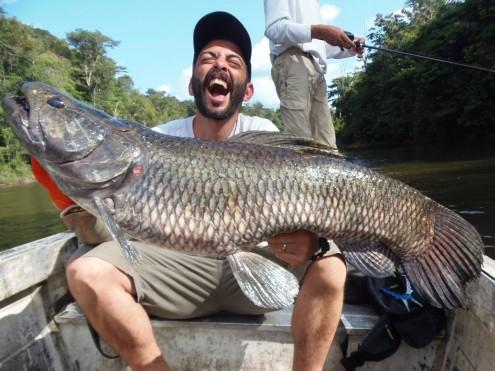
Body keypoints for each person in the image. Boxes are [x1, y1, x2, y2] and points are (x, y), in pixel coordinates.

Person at [35, 12, 347, 371]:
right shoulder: (156, 139)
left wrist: (308, 241)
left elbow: (308, 212)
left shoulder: (263, 133)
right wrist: (63, 189)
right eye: (207, 59)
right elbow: (109, 224)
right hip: (180, 273)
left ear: (247, 90)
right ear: (192, 84)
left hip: (256, 271)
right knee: (84, 272)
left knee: (332, 263)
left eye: (233, 61)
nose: (219, 66)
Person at [264, 0, 364, 148]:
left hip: (316, 69)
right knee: (300, 146)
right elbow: (274, 29)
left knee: (328, 147)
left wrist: (349, 47)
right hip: (293, 63)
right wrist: (320, 31)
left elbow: (317, 46)